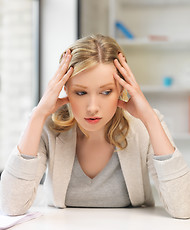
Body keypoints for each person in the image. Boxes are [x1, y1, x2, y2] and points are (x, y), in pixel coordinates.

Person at [1, 34, 190, 219]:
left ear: (122, 89)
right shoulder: (47, 126)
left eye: (106, 92)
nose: (92, 108)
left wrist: (150, 119)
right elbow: (11, 206)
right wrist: (37, 115)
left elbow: (184, 208)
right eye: (81, 92)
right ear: (64, 89)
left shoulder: (145, 125)